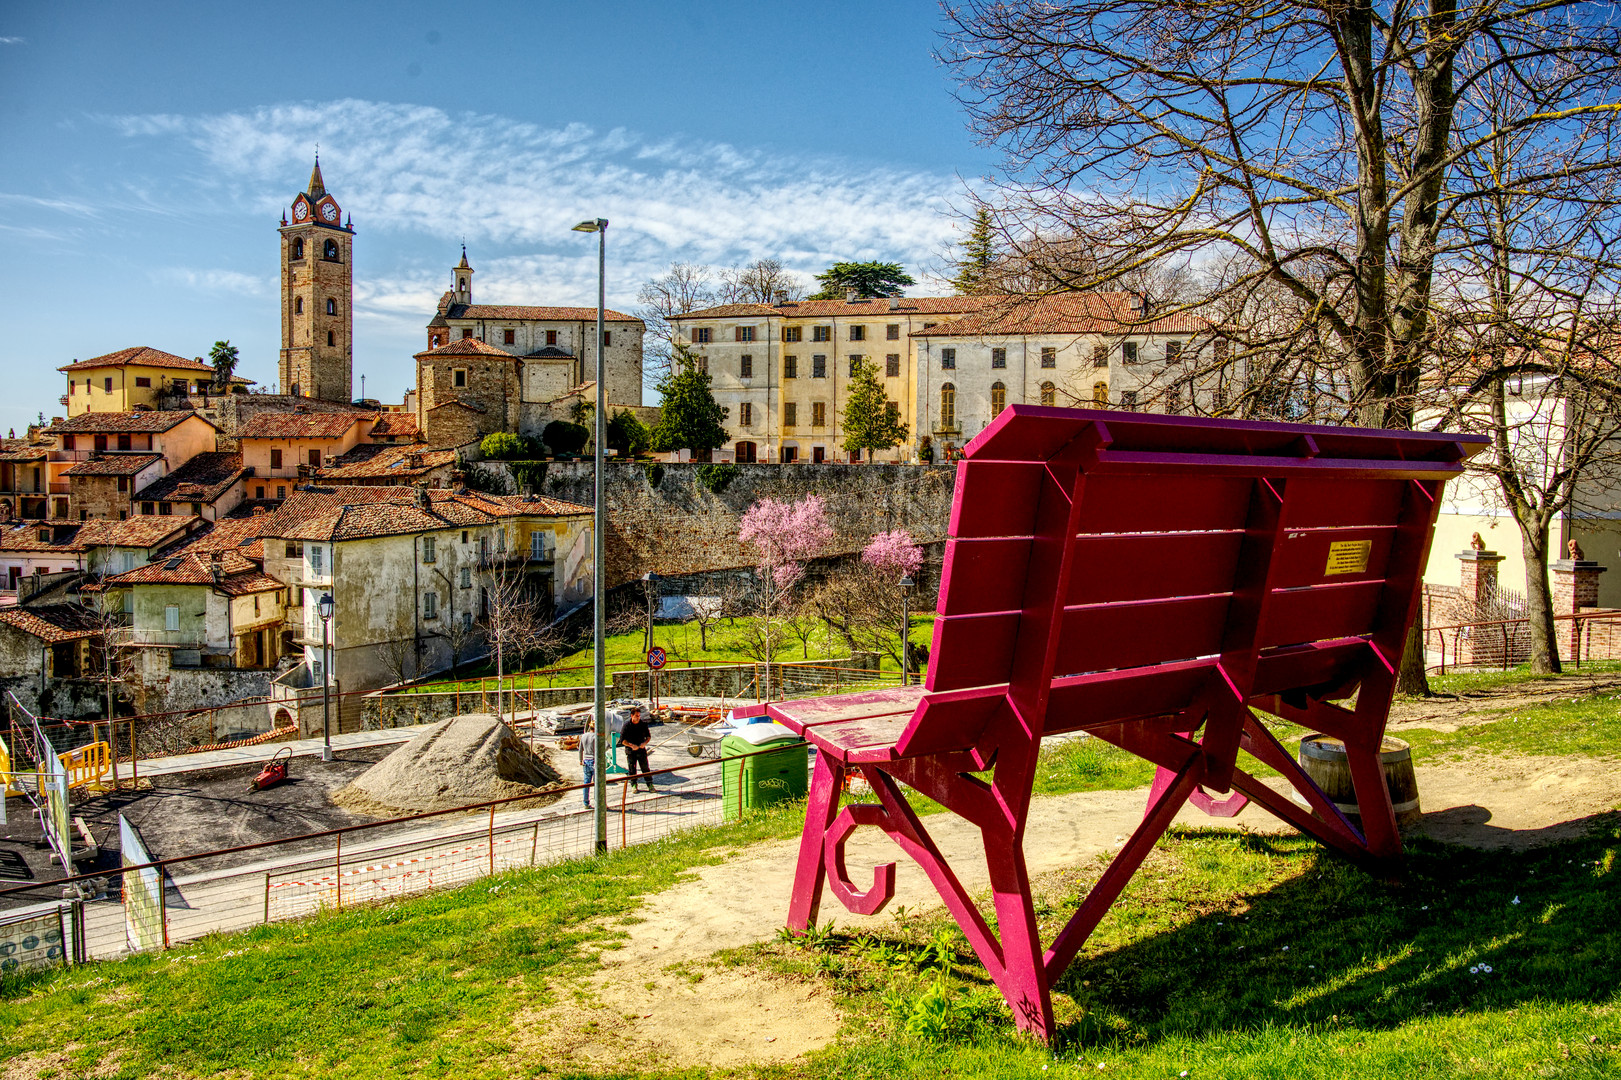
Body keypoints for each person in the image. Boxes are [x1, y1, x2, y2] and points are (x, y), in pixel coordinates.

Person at [619, 706, 654, 794]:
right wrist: (631, 746)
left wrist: (644, 743)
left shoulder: (642, 724)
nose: (638, 717)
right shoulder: (626, 725)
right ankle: (634, 785)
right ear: (632, 716)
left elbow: (648, 736)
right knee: (632, 769)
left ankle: (650, 784)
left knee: (645, 768)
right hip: (631, 751)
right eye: (636, 716)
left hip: (641, 750)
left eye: (639, 715)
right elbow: (622, 740)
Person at [578, 726, 597, 809]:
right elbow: (606, 745)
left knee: (586, 783)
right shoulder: (595, 737)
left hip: (585, 761)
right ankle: (598, 802)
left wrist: (580, 760)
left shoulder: (584, 736)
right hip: (594, 761)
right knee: (597, 784)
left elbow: (580, 749)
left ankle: (585, 802)